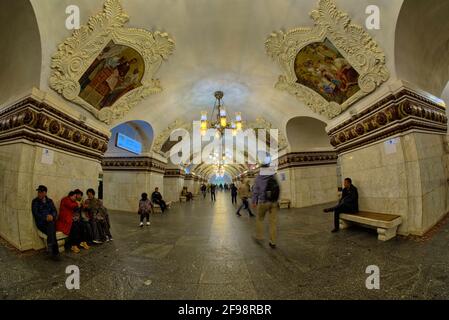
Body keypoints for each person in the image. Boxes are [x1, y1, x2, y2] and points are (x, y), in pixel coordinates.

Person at [252, 158, 280, 248]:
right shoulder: (273, 175)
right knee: (273, 222)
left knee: (260, 219)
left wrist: (254, 201)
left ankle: (259, 236)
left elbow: (255, 191)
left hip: (263, 202)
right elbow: (277, 187)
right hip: (273, 202)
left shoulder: (258, 177)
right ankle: (273, 242)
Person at [31, 185, 60, 259]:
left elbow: (54, 211)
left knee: (51, 227)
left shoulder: (50, 201)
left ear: (45, 193)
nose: (39, 194)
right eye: (38, 192)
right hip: (41, 223)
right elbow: (36, 213)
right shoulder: (35, 202)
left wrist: (52, 216)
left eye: (41, 192)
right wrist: (46, 217)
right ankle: (55, 253)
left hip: (50, 222)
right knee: (52, 228)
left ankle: (51, 247)